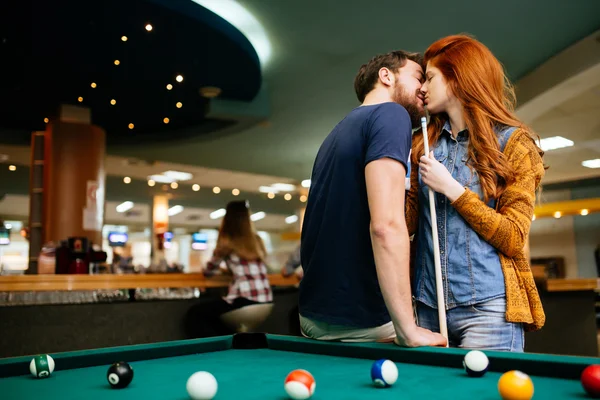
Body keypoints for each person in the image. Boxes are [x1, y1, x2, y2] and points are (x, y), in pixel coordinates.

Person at [407, 34, 546, 352]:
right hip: (428, 309)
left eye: (430, 78)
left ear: (457, 79)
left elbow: (513, 236)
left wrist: (452, 189)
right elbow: (406, 224)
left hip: (489, 310)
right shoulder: (422, 144)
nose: (422, 88)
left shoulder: (514, 144)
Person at [299, 50, 447, 347]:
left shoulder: (336, 133)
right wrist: (407, 329)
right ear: (386, 76)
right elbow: (386, 225)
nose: (423, 88)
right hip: (364, 319)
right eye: (418, 77)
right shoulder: (391, 115)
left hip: (314, 316)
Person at [186, 200, 273, 337]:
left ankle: (214, 352)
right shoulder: (257, 240)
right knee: (217, 316)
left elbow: (208, 271)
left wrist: (220, 269)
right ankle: (234, 345)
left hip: (244, 300)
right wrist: (228, 271)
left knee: (195, 313)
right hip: (266, 300)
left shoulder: (227, 241)